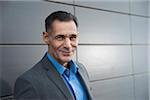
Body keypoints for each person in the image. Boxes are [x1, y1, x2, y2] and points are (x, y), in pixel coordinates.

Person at [14, 11, 93, 100]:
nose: (68, 45)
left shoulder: (81, 69)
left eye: (72, 37)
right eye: (60, 37)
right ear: (46, 38)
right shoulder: (29, 82)